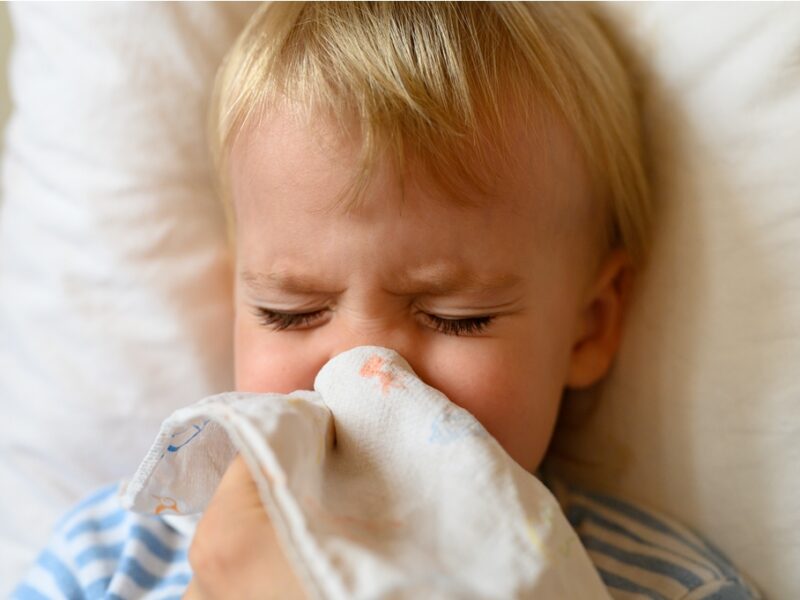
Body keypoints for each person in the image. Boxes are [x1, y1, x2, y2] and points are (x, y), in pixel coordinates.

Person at [14, 3, 760, 599]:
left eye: (455, 318)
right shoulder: (113, 551)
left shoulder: (673, 585)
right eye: (291, 310)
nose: (364, 372)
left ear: (587, 327)